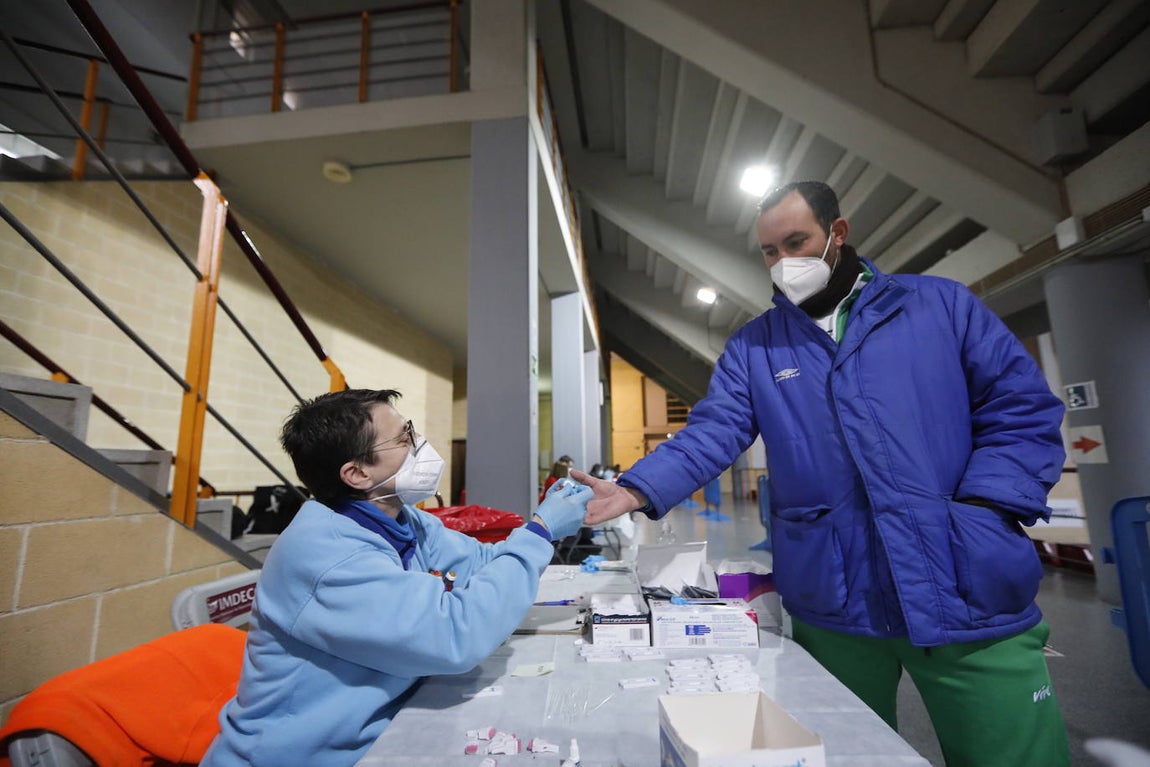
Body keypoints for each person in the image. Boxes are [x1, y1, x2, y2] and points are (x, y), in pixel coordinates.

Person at [575, 181, 1070, 767]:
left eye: (796, 241)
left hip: (967, 584)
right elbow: (714, 431)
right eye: (769, 251)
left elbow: (1021, 409)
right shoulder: (756, 347)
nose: (784, 262)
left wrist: (984, 512)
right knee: (842, 755)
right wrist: (637, 486)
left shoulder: (940, 307)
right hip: (837, 597)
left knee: (1014, 757)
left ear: (838, 232)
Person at [202, 389, 592, 767]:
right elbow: (456, 635)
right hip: (309, 755)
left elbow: (482, 561)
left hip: (382, 725)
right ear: (356, 473)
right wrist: (540, 532)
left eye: (412, 430)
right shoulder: (329, 557)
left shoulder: (402, 520)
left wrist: (545, 524)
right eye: (405, 438)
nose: (421, 444)